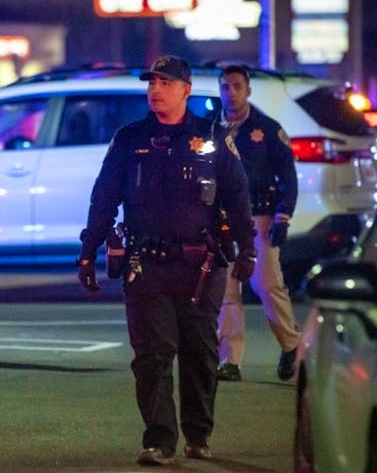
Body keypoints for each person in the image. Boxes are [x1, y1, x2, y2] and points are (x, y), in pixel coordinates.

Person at [76, 55, 256, 466]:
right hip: (147, 264)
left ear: (186, 90)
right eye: (151, 83)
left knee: (199, 354)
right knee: (152, 355)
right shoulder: (130, 138)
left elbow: (238, 197)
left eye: (165, 83)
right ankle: (159, 439)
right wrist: (89, 252)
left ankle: (198, 434)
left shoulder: (213, 137)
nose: (155, 90)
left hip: (201, 265)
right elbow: (104, 198)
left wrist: (247, 248)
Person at [214, 65, 300, 382]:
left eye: (237, 86)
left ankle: (291, 344)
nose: (231, 93)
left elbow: (288, 176)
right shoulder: (211, 129)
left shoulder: (266, 130)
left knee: (265, 283)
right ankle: (230, 360)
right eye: (225, 87)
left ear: (248, 90)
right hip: (222, 220)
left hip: (258, 217)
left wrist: (283, 216)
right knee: (226, 288)